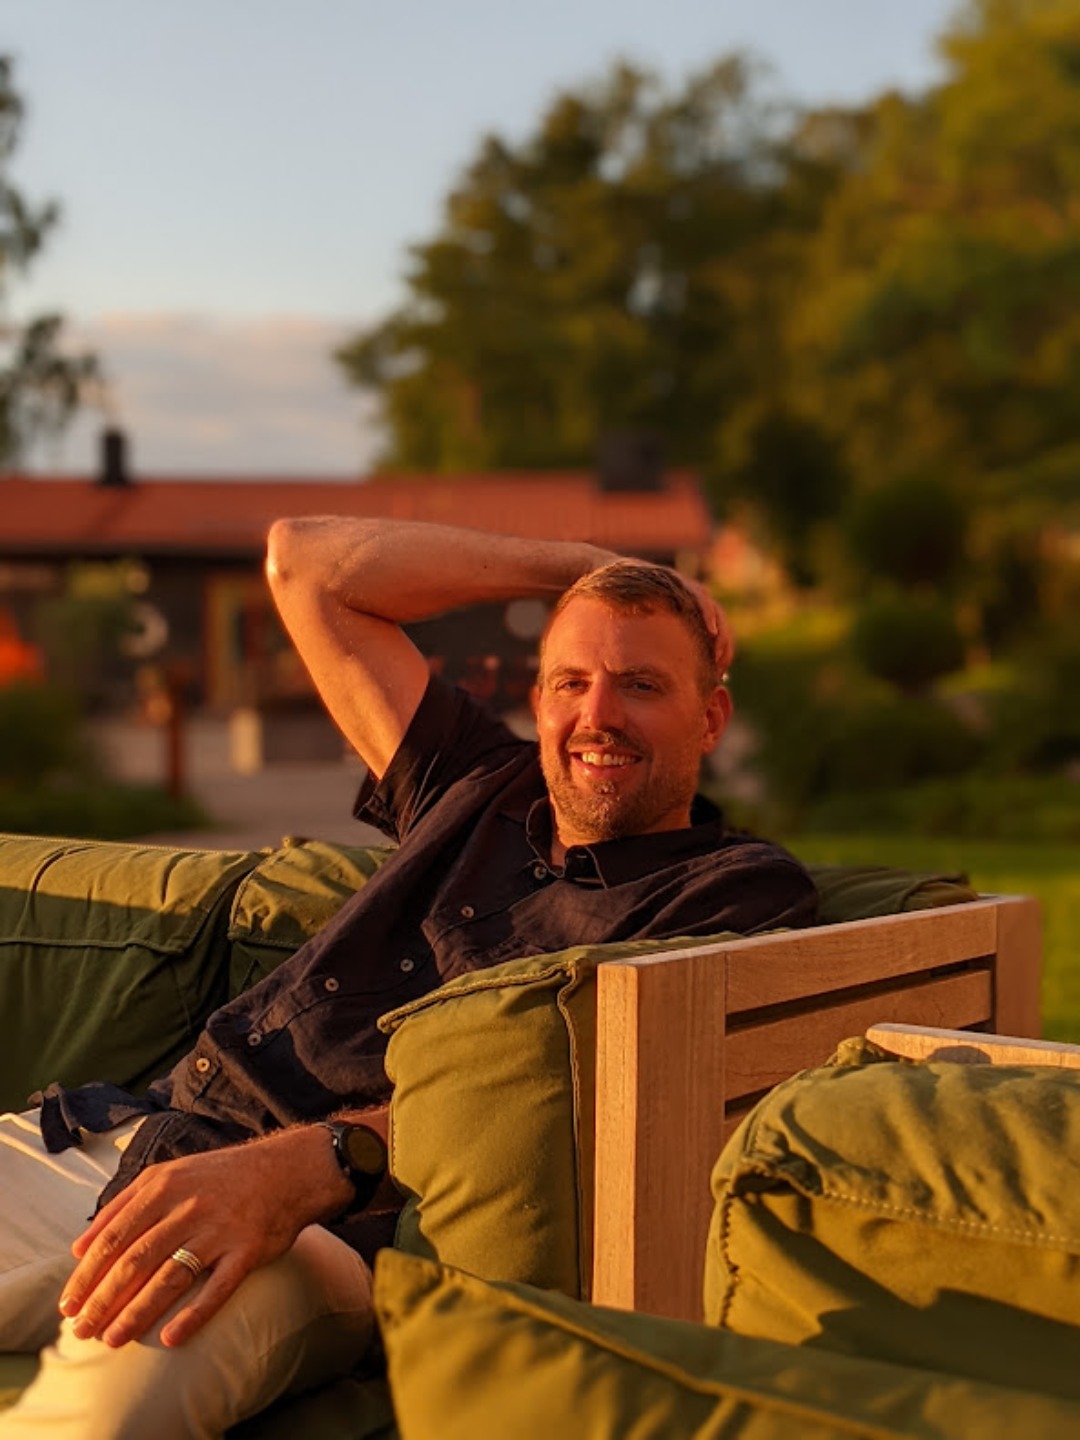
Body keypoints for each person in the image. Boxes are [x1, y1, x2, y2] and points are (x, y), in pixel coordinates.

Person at [0, 520, 817, 1438]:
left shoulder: (732, 891)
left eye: (642, 685)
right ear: (539, 701)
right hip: (137, 1136)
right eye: (570, 682)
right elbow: (303, 563)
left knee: (90, 1424)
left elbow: (572, 1093)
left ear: (711, 719)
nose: (598, 716)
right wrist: (587, 567)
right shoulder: (475, 781)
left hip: (323, 1233)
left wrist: (309, 1163)